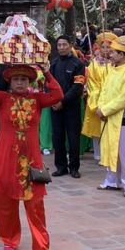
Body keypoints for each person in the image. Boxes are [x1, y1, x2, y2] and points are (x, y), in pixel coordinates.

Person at [0, 64, 63, 250]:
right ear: (9, 81)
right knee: (5, 202)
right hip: (6, 157)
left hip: (32, 160)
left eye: (24, 79)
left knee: (35, 204)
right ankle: (9, 239)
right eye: (16, 79)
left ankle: (42, 248)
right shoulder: (3, 99)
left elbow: (57, 94)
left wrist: (48, 71)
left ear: (30, 82)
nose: (19, 82)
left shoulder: (37, 100)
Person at [96, 36, 125, 197]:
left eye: (113, 52)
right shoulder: (112, 69)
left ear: (122, 54)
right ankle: (112, 180)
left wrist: (105, 110)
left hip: (123, 117)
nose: (110, 54)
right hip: (109, 115)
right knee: (110, 148)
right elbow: (104, 90)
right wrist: (100, 107)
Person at [50, 35, 85, 178]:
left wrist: (62, 101)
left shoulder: (78, 64)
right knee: (57, 137)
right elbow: (48, 84)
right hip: (55, 107)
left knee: (73, 137)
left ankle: (74, 167)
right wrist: (52, 101)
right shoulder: (53, 64)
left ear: (70, 45)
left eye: (64, 45)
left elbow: (77, 87)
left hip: (71, 106)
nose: (62, 48)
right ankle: (60, 166)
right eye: (59, 45)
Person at [82, 32, 114, 161]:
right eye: (103, 47)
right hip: (98, 97)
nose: (105, 50)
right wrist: (97, 99)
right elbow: (91, 83)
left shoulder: (116, 63)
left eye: (108, 47)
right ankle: (98, 152)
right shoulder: (94, 64)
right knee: (97, 127)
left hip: (112, 98)